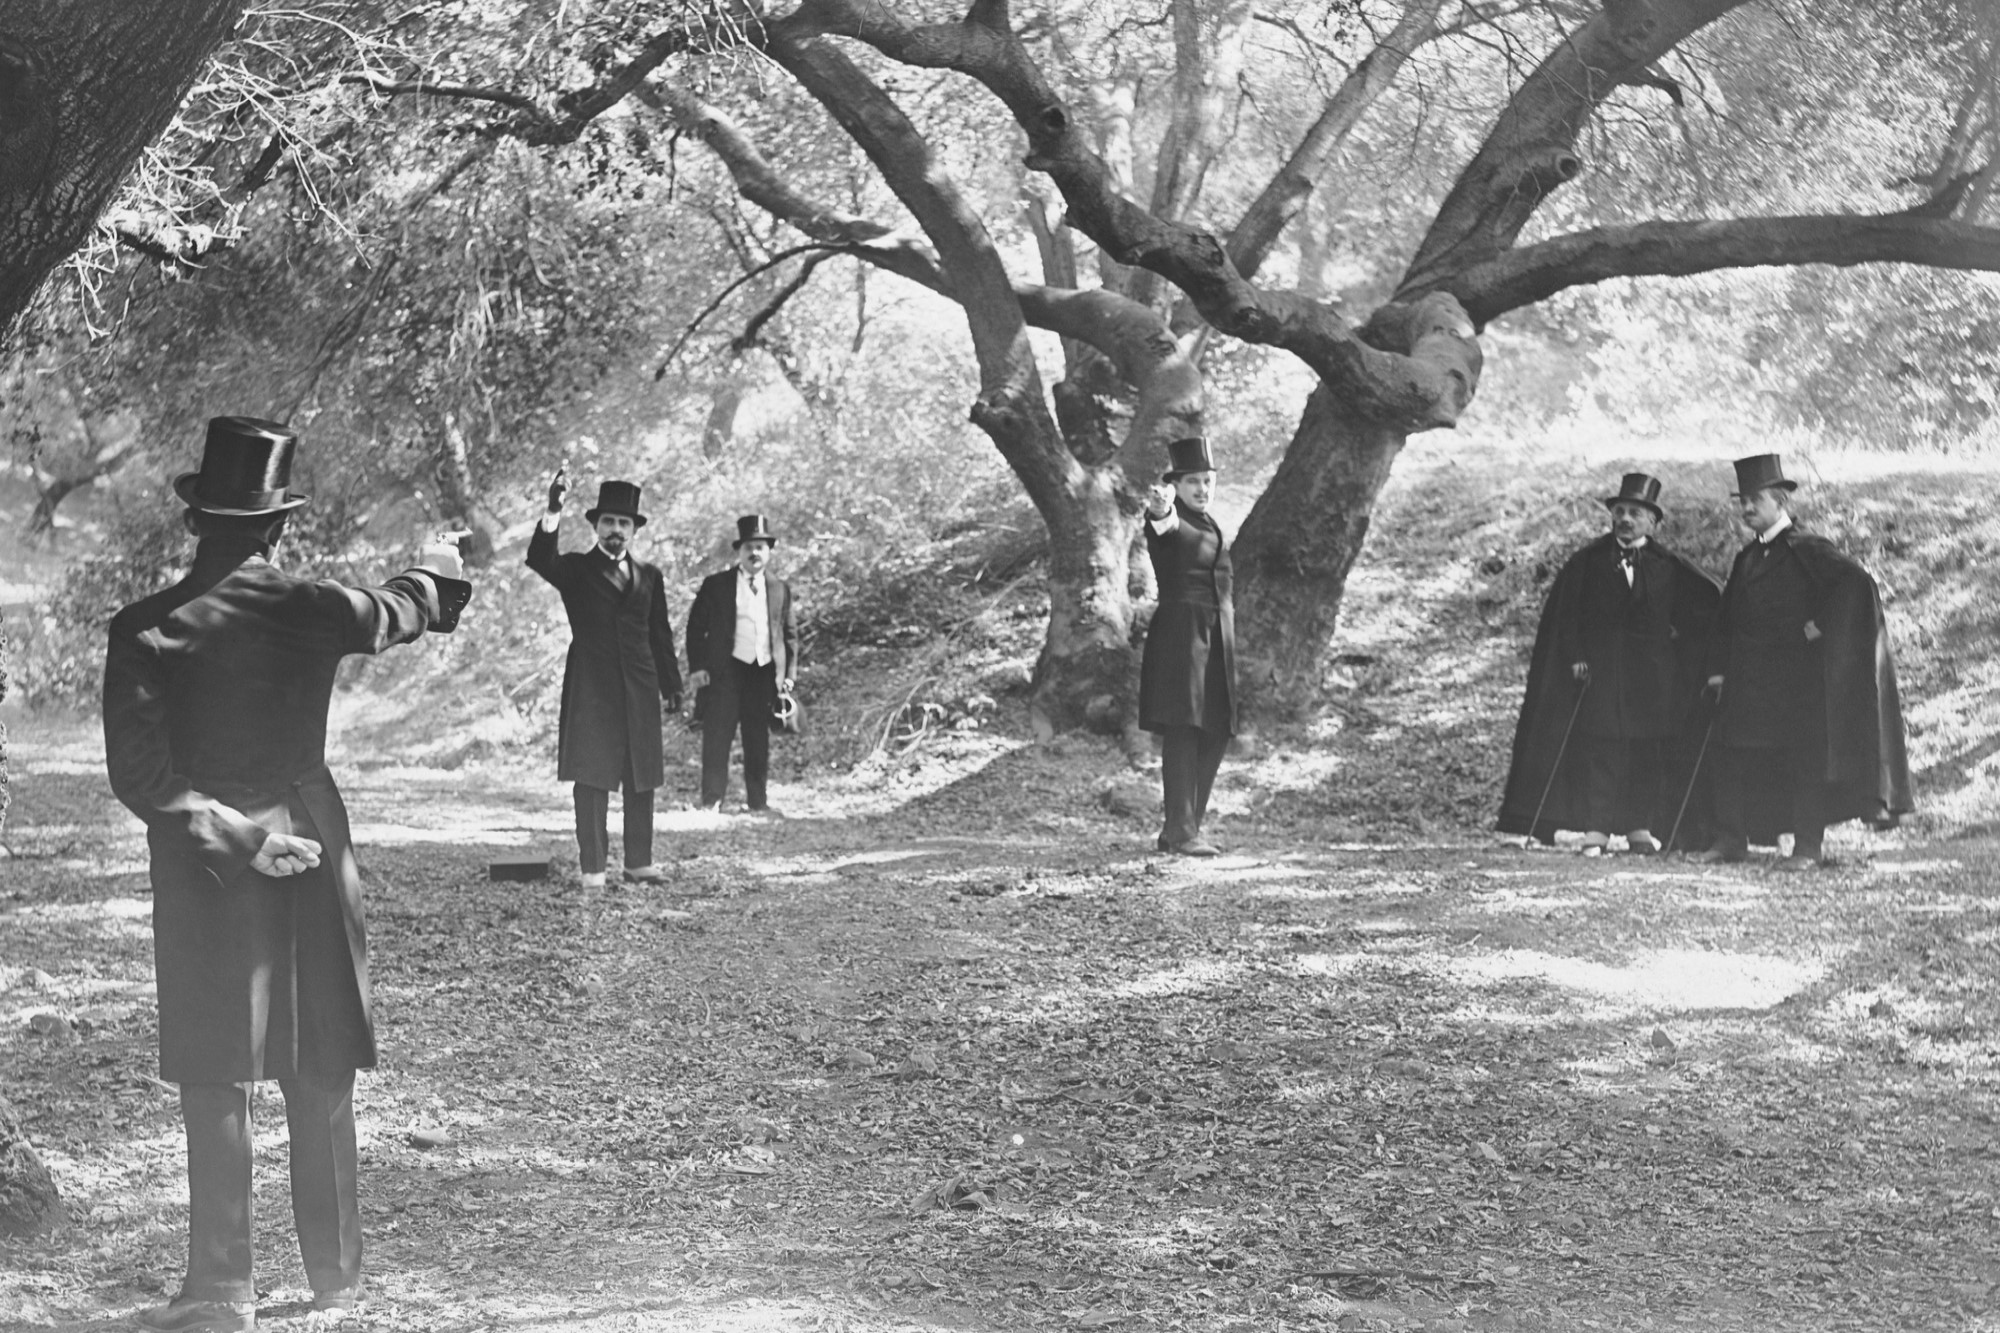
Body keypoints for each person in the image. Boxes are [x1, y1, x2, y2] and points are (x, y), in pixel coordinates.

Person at [103, 417, 471, 1333]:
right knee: (322, 1063)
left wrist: (233, 835)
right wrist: (442, 573)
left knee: (216, 1073)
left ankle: (222, 1293)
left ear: (199, 522)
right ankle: (338, 1280)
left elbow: (140, 777)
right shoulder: (314, 607)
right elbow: (401, 608)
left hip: (205, 867)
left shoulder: (146, 627)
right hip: (311, 840)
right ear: (276, 527)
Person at [1696, 454, 1912, 869]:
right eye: (1742, 501)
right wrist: (1719, 671)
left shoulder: (1809, 549)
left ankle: (1807, 848)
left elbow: (1856, 584)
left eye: (1754, 499)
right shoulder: (1746, 558)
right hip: (1747, 680)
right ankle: (1731, 840)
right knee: (1730, 755)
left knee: (1802, 761)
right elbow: (1728, 620)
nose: (1746, 508)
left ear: (1779, 501)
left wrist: (1820, 627)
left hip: (1796, 681)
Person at [1497, 473, 1722, 853]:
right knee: (1603, 753)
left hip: (1652, 681)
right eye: (1620, 511)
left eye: (1635, 512)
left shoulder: (1670, 565)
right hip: (1602, 677)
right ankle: (1596, 831)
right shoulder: (1587, 562)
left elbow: (1704, 606)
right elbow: (1566, 616)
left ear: (1653, 521)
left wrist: (1682, 646)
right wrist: (1576, 657)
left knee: (1645, 754)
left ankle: (1638, 829)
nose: (1626, 519)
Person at [528, 469, 683, 887]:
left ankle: (638, 863)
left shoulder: (649, 576)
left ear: (634, 531)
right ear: (596, 526)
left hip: (639, 685)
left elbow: (659, 633)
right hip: (592, 687)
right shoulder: (577, 570)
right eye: (609, 522)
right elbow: (541, 560)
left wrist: (672, 684)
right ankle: (593, 869)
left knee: (641, 774)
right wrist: (553, 510)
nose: (616, 530)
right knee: (591, 776)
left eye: (624, 523)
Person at [1140, 436, 1237, 856]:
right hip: (1182, 636)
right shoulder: (1172, 519)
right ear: (1176, 485)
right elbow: (1161, 523)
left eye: (1208, 481)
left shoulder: (1211, 522)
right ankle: (1182, 832)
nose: (1202, 489)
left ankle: (1183, 829)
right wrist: (1161, 509)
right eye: (1193, 481)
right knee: (1184, 728)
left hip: (1217, 638)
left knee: (1216, 729)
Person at [685, 515, 798, 812]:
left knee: (757, 738)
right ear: (739, 551)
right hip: (725, 670)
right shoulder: (716, 585)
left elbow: (790, 636)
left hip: (762, 673)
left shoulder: (779, 589)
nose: (755, 553)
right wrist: (698, 667)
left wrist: (789, 675)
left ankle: (758, 802)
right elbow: (695, 628)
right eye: (749, 546)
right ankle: (712, 800)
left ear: (769, 551)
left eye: (761, 546)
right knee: (717, 735)